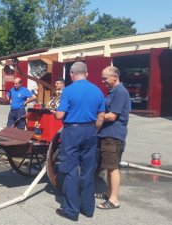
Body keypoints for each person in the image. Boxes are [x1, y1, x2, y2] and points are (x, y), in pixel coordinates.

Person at [54, 61, 105, 221]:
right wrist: (93, 129)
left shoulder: (68, 90)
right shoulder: (97, 90)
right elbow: (101, 115)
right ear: (87, 74)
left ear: (71, 74)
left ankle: (71, 211)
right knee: (88, 171)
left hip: (72, 131)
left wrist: (56, 111)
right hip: (91, 130)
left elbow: (60, 115)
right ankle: (88, 209)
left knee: (70, 170)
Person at [96, 66, 131, 210]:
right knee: (108, 166)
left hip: (113, 135)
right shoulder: (112, 91)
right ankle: (108, 193)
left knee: (112, 167)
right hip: (106, 134)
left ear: (115, 77)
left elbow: (112, 116)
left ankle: (114, 199)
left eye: (105, 78)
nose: (102, 81)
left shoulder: (120, 92)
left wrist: (94, 117)